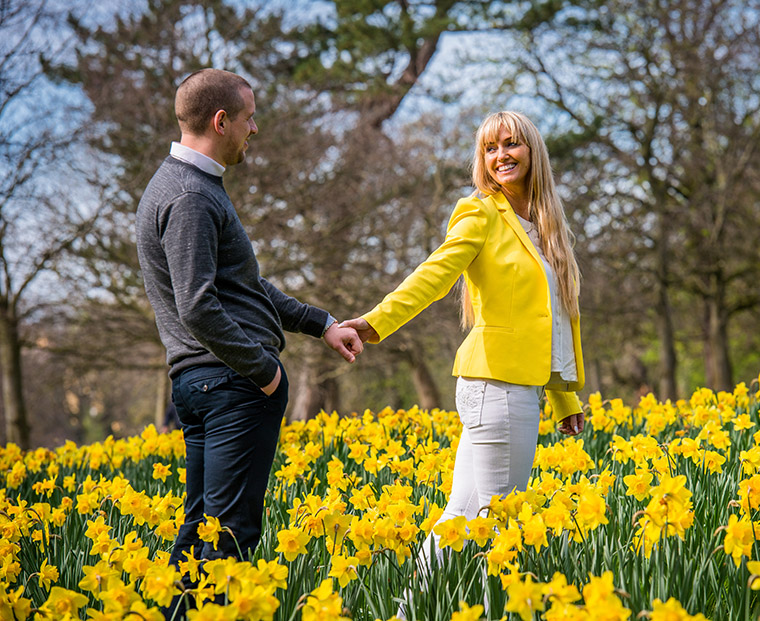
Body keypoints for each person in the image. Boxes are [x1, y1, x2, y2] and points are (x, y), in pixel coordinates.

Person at [135, 68, 363, 613]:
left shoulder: (187, 186)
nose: (254, 129)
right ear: (221, 121)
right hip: (231, 384)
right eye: (249, 117)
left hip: (205, 382)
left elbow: (244, 288)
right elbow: (197, 304)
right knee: (229, 539)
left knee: (199, 535)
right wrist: (264, 371)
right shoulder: (191, 196)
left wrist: (321, 323)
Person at [343, 110, 586, 615]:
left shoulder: (545, 228)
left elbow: (556, 321)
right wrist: (375, 322)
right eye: (490, 149)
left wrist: (564, 396)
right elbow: (434, 275)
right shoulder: (479, 214)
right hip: (494, 384)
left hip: (511, 385)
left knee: (459, 517)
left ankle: (409, 610)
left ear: (532, 151)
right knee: (499, 525)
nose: (501, 156)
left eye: (511, 144)